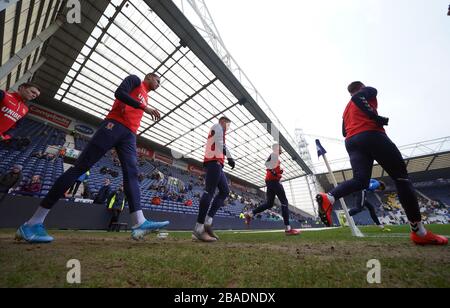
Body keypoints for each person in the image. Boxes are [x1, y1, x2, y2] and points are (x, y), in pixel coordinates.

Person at [16, 73, 170, 244]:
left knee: (132, 174)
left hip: (130, 134)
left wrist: (142, 107)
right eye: (158, 81)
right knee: (80, 168)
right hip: (114, 125)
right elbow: (119, 93)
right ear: (149, 77)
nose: (159, 84)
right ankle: (33, 222)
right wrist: (144, 107)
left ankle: (139, 222)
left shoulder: (146, 96)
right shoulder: (135, 81)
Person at [316, 81, 447, 245]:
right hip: (371, 134)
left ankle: (330, 197)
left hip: (351, 141)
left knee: (361, 180)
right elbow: (359, 98)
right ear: (361, 87)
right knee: (401, 178)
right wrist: (374, 116)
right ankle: (419, 231)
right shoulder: (368, 91)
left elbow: (343, 131)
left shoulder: (346, 109)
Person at [193, 117, 235, 242]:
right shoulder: (217, 127)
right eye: (228, 124)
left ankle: (207, 222)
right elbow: (220, 143)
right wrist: (230, 157)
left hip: (218, 163)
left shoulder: (219, 130)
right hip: (213, 161)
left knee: (225, 191)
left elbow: (221, 144)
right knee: (209, 192)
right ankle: (198, 229)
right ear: (223, 122)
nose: (228, 128)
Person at [244, 144, 301, 236]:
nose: (281, 149)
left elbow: (270, 166)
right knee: (284, 202)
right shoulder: (274, 155)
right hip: (274, 181)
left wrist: (278, 171)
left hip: (270, 181)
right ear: (277, 148)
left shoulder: (276, 158)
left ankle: (250, 213)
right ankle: (288, 229)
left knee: (269, 204)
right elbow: (267, 164)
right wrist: (274, 172)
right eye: (280, 147)